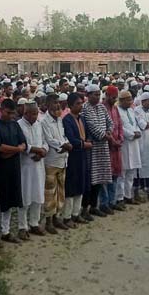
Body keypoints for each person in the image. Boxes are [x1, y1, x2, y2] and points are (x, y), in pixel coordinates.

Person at [0, 99, 27, 247]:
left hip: (13, 168)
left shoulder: (15, 124)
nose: (10, 116)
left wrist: (15, 150)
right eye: (8, 112)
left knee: (10, 201)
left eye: (12, 113)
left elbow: (23, 143)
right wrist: (16, 149)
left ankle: (6, 232)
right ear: (0, 110)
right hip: (0, 170)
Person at [40, 94, 73, 230]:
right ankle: (48, 221)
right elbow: (49, 140)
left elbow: (63, 135)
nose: (58, 105)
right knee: (50, 192)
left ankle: (56, 217)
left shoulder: (59, 119)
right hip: (51, 161)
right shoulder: (44, 121)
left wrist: (66, 143)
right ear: (47, 105)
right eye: (54, 103)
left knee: (60, 190)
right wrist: (63, 145)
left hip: (62, 159)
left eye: (58, 102)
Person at [80, 85, 113, 220]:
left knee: (99, 179)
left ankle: (95, 206)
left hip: (103, 147)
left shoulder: (101, 107)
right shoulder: (85, 108)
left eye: (99, 94)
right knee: (91, 180)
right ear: (88, 95)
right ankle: (85, 208)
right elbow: (91, 125)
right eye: (94, 94)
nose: (97, 97)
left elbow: (109, 121)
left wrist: (109, 131)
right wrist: (104, 135)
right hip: (92, 147)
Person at [17, 102, 48, 238]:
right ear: (26, 113)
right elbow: (21, 144)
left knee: (37, 195)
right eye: (33, 114)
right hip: (25, 166)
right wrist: (35, 150)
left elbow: (45, 142)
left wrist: (43, 152)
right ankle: (22, 227)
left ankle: (34, 223)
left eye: (36, 113)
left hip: (39, 165)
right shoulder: (18, 125)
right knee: (25, 197)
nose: (36, 116)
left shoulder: (39, 124)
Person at [62, 93, 92, 226]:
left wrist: (88, 142)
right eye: (78, 104)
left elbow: (88, 134)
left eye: (81, 103)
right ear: (70, 105)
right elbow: (70, 138)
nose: (80, 106)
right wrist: (83, 144)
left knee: (81, 184)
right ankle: (67, 216)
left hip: (83, 156)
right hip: (73, 156)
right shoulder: (67, 120)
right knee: (71, 186)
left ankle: (76, 213)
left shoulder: (82, 118)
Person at [101, 86, 125, 213]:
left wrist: (120, 139)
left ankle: (112, 201)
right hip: (106, 147)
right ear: (106, 95)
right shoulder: (101, 108)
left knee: (115, 175)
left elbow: (120, 125)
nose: (114, 99)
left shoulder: (115, 109)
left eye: (115, 97)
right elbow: (103, 128)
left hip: (116, 148)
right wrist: (113, 141)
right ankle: (104, 203)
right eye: (112, 97)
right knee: (106, 176)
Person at [117, 90, 142, 206]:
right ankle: (120, 198)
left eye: (131, 99)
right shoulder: (117, 111)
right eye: (128, 99)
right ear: (121, 100)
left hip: (134, 144)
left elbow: (135, 124)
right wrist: (132, 134)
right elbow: (120, 128)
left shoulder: (131, 111)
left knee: (131, 172)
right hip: (125, 144)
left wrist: (137, 131)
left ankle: (128, 195)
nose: (130, 101)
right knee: (122, 172)